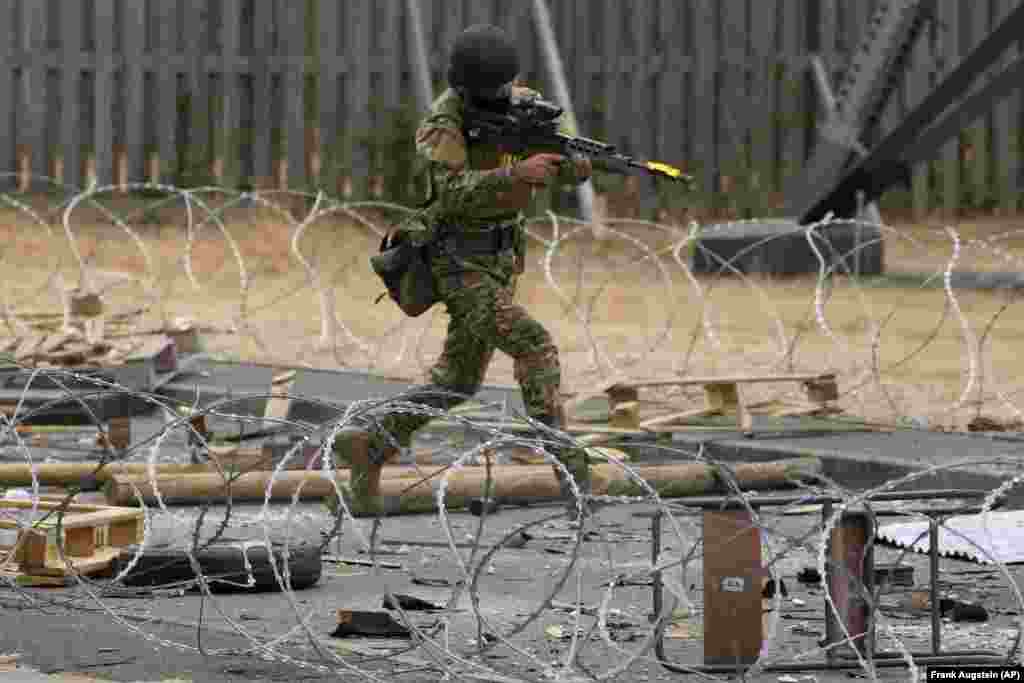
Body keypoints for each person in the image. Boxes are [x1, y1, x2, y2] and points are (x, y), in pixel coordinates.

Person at [342, 24, 593, 518]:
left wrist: (570, 162)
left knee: (455, 383)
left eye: (504, 87)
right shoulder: (443, 124)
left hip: (501, 258)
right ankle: (570, 471)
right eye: (489, 90)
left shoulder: (525, 106)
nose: (499, 96)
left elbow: (567, 158)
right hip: (457, 261)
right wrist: (515, 174)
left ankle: (368, 448)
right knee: (533, 344)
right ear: (464, 87)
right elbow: (451, 192)